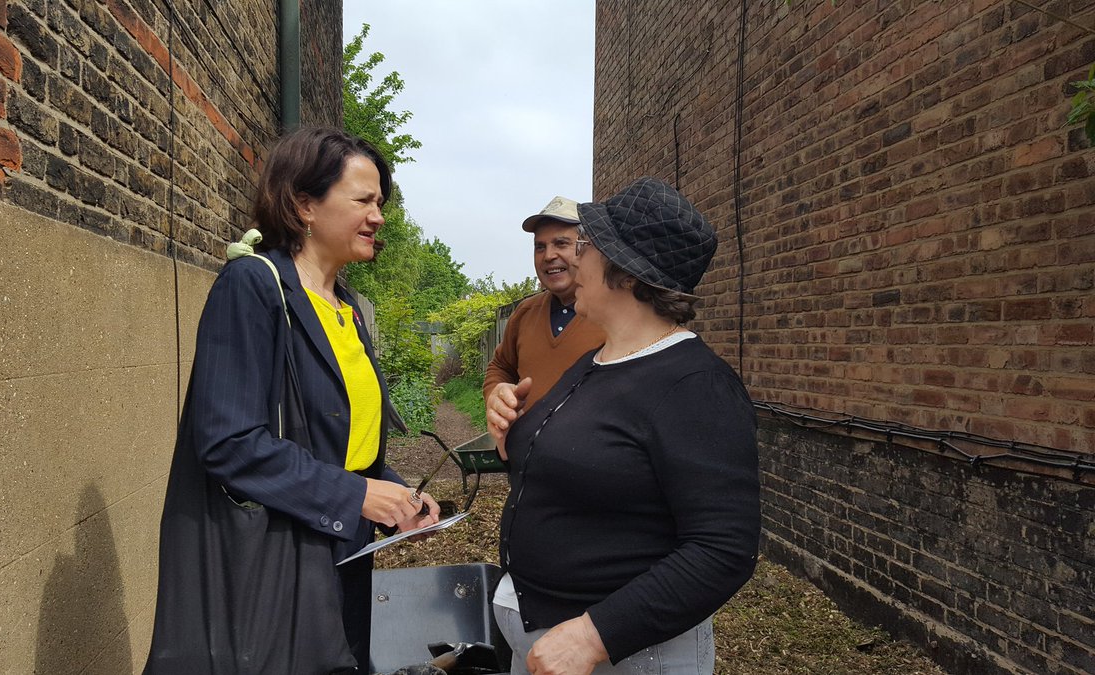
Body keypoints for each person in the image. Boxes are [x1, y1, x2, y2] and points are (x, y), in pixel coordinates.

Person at [144, 127, 440, 674]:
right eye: (364, 201)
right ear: (305, 204)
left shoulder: (345, 306)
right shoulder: (252, 287)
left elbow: (335, 440)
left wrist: (392, 494)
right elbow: (228, 442)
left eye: (381, 203)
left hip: (341, 559)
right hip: (275, 565)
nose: (378, 216)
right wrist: (354, 494)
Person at [493, 177, 761, 675]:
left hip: (627, 657)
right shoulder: (602, 359)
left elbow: (723, 549)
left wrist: (594, 636)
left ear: (628, 274)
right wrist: (507, 416)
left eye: (586, 246)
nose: (573, 259)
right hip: (542, 632)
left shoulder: (694, 384)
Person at [484, 196, 605, 454]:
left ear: (588, 247)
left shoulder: (611, 315)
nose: (549, 255)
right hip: (526, 472)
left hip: (594, 473)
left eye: (561, 243)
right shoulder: (525, 313)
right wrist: (497, 393)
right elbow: (501, 366)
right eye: (540, 247)